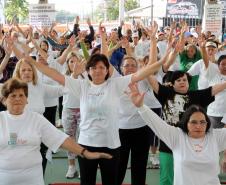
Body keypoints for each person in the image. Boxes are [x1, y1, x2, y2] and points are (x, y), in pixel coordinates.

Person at [25, 52, 163, 185]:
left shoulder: (115, 84)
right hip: (86, 145)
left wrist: (163, 60)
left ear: (107, 70)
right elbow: (55, 75)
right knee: (87, 181)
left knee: (111, 182)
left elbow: (141, 73)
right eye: (93, 67)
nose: (98, 70)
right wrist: (32, 62)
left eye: (102, 67)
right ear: (88, 71)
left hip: (111, 145)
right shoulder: (82, 85)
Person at [0, 78, 111, 185]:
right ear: (4, 100)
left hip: (33, 178)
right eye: (13, 95)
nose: (18, 99)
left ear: (27, 99)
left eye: (21, 95)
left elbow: (61, 139)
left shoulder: (36, 119)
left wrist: (85, 153)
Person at [126, 82, 226, 185]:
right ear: (186, 123)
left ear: (207, 123)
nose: (198, 126)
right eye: (193, 122)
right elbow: (156, 123)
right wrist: (141, 107)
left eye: (202, 122)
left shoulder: (216, 137)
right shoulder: (177, 136)